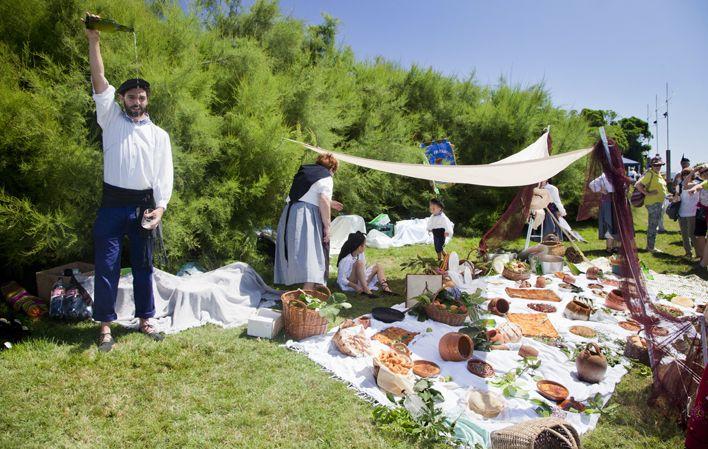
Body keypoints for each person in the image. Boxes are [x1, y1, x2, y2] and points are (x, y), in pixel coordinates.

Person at [84, 13, 174, 352]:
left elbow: (165, 174)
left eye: (142, 97)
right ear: (122, 99)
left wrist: (161, 208)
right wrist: (94, 40)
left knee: (142, 267)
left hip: (143, 207)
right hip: (111, 205)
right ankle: (105, 325)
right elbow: (99, 79)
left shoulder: (160, 135)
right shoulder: (110, 119)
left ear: (148, 100)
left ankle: (145, 319)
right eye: (131, 97)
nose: (136, 101)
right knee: (106, 266)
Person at [274, 153, 341, 289]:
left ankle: (308, 284)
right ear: (332, 168)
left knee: (298, 249)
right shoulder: (326, 176)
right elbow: (322, 199)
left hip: (290, 212)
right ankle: (309, 288)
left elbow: (307, 194)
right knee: (312, 249)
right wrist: (327, 228)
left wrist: (330, 202)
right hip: (306, 214)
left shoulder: (306, 173)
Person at [336, 231, 396, 297]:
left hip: (360, 281)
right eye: (364, 245)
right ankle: (366, 290)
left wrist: (365, 277)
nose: (366, 246)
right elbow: (341, 279)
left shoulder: (361, 254)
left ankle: (386, 289)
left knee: (378, 266)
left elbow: (363, 270)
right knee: (359, 263)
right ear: (359, 247)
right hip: (352, 284)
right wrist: (355, 286)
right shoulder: (345, 260)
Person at [634, 155, 668, 252]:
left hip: (659, 202)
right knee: (653, 225)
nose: (658, 167)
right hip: (653, 203)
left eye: (660, 165)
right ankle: (650, 247)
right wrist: (647, 193)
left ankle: (651, 246)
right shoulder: (650, 174)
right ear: (652, 165)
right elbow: (638, 185)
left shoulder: (658, 174)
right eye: (656, 165)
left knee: (654, 224)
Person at [673, 169, 699, 258]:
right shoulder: (679, 186)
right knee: (684, 234)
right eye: (684, 174)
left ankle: (698, 253)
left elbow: (685, 185)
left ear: (692, 175)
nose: (685, 175)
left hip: (693, 213)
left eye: (687, 174)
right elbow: (676, 197)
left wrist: (692, 172)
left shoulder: (696, 184)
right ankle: (688, 252)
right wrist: (673, 199)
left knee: (692, 234)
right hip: (681, 212)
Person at [589, 173, 618, 252]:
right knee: (609, 222)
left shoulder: (617, 174)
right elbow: (591, 184)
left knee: (616, 224)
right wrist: (601, 190)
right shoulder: (604, 176)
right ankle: (609, 247)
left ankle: (614, 247)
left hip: (616, 202)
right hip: (608, 202)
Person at [687, 164, 708, 270]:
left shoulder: (704, 182)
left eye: (707, 171)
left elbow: (700, 186)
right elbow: (685, 185)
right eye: (703, 172)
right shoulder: (700, 182)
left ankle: (703, 262)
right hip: (702, 210)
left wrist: (694, 189)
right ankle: (703, 259)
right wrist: (692, 171)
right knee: (699, 235)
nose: (705, 173)